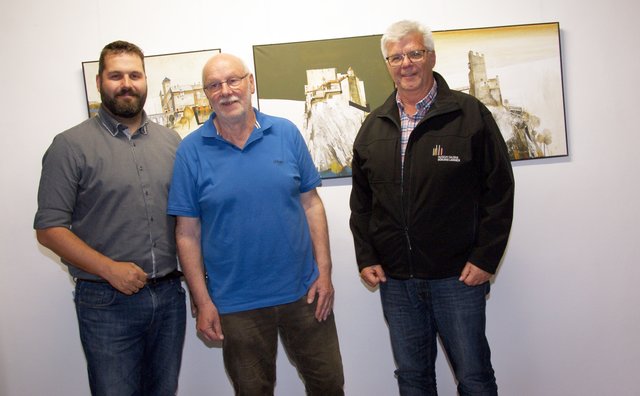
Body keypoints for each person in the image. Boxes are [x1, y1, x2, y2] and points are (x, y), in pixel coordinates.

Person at [349, 20, 515, 396]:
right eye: (395, 57)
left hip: (457, 277)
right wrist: (366, 256)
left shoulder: (469, 114)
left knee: (473, 377)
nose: (405, 63)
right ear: (387, 65)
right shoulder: (373, 126)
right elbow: (361, 204)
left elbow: (499, 191)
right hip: (397, 281)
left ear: (431, 57)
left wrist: (486, 258)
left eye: (414, 53)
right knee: (412, 379)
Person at [167, 53, 344, 395]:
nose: (226, 91)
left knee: (329, 385)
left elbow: (311, 205)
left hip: (304, 293)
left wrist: (325, 272)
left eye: (233, 80)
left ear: (249, 83)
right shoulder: (190, 152)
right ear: (206, 95)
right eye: (215, 85)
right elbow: (186, 233)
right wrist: (203, 302)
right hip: (236, 303)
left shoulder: (285, 133)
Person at [34, 40, 186, 396]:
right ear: (100, 81)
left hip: (168, 298)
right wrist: (108, 268)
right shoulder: (69, 146)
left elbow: (186, 221)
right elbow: (49, 228)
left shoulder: (172, 142)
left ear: (146, 79)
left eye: (135, 74)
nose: (126, 83)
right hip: (106, 303)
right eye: (116, 75)